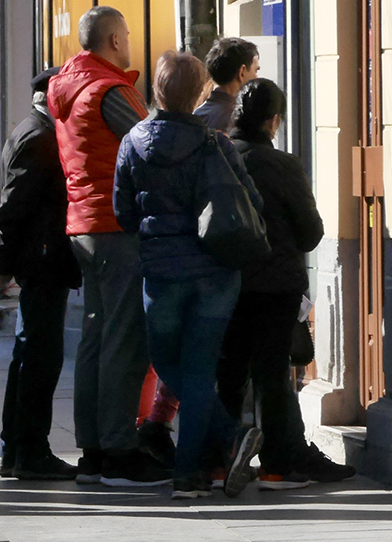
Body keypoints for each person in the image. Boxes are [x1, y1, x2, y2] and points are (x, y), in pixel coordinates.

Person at [113, 51, 265, 500]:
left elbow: (122, 213)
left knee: (166, 362)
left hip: (161, 271)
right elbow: (250, 203)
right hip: (216, 271)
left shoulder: (133, 142)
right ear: (200, 91)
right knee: (198, 370)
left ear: (156, 90)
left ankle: (193, 468)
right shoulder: (216, 143)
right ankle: (222, 445)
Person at [46, 6, 165, 487]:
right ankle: (118, 450)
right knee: (124, 338)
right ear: (115, 40)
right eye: (129, 33)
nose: (132, 41)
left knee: (96, 338)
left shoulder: (69, 87)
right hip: (116, 226)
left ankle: (93, 450)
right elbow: (151, 144)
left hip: (83, 224)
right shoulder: (109, 89)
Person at [220, 79, 354, 488]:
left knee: (227, 373)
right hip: (275, 286)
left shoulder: (219, 155)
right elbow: (311, 232)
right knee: (272, 375)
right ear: (273, 120)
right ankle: (281, 463)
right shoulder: (281, 164)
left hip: (226, 282)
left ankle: (216, 459)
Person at [0, 66, 83, 481]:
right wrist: (6, 262)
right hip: (43, 261)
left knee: (30, 354)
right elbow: (14, 208)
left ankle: (17, 448)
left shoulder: (32, 130)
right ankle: (29, 450)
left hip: (40, 259)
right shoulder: (40, 136)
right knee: (39, 357)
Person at [197, 38, 259, 134]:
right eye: (255, 71)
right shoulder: (241, 121)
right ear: (242, 72)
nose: (257, 77)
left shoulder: (197, 116)